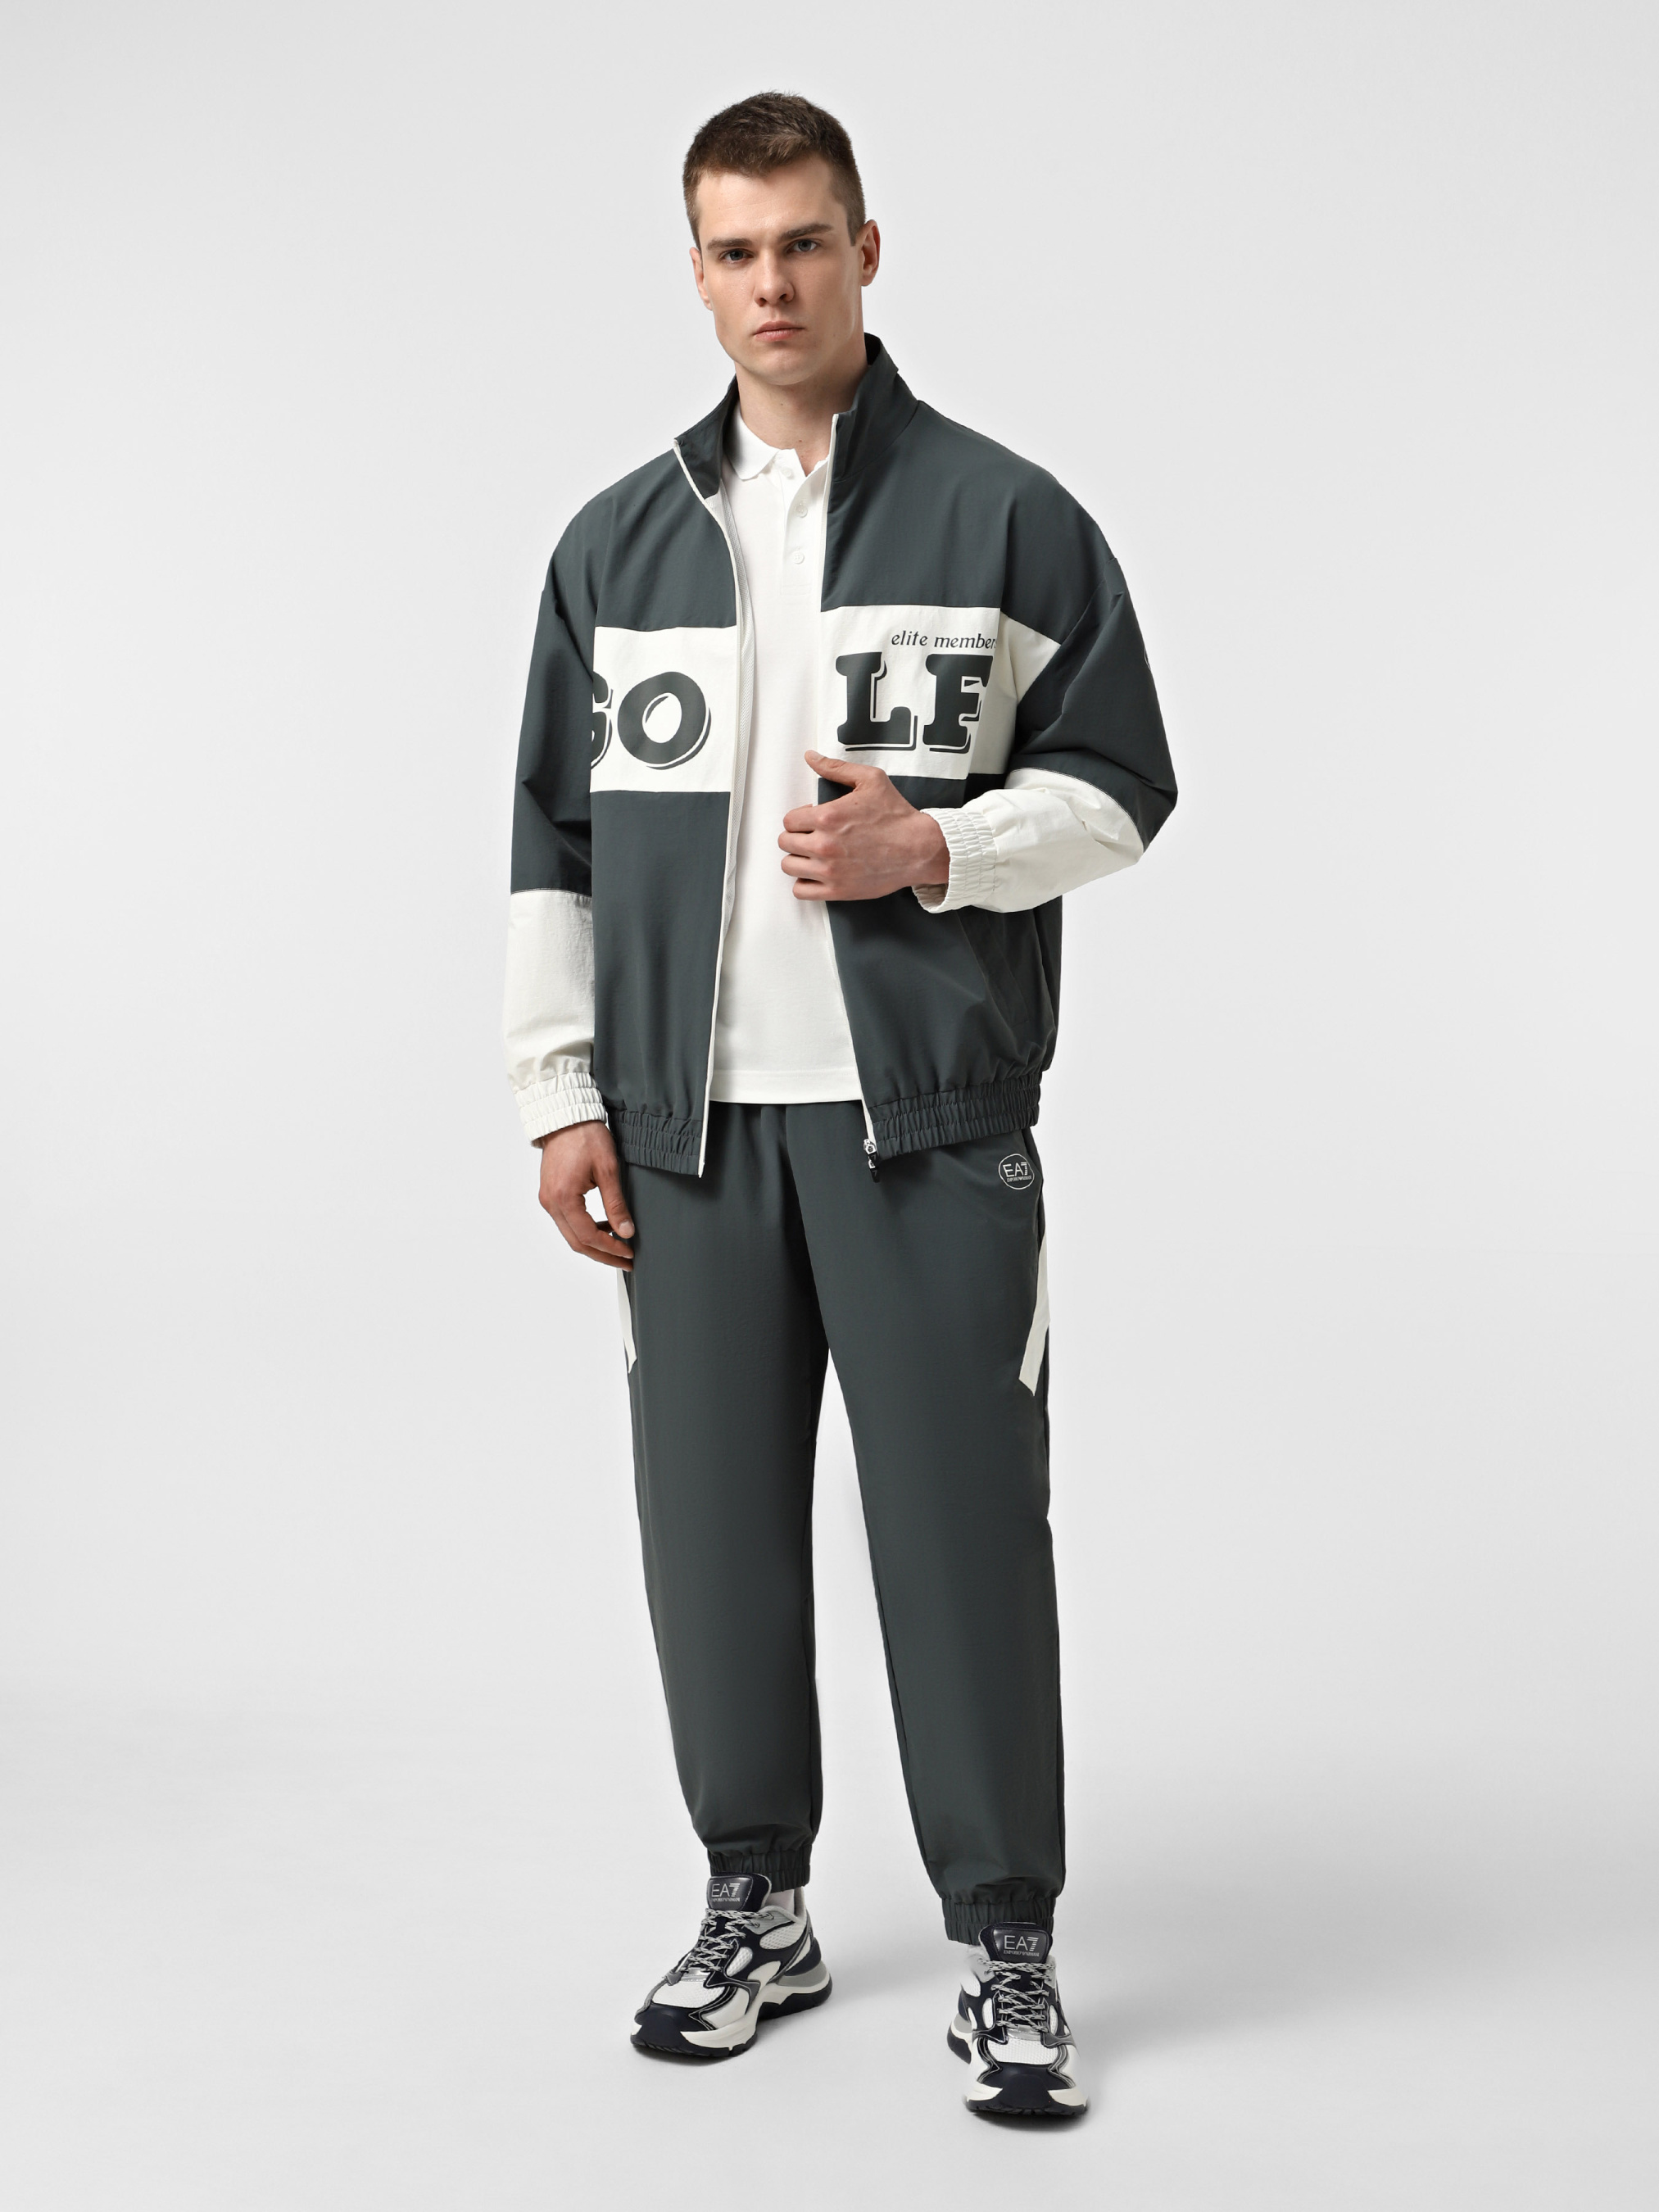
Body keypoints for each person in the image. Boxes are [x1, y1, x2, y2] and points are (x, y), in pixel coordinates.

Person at [503, 91, 1176, 2121]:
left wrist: (936, 849)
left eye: (803, 241)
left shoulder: (1003, 516)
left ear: (865, 250)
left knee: (962, 1535)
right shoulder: (614, 547)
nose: (771, 284)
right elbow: (550, 842)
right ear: (695, 271)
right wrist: (558, 1091)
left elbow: (1120, 788)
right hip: (687, 1130)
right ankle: (755, 1906)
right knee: (709, 1538)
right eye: (734, 251)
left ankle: (1007, 1946)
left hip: (925, 1125)